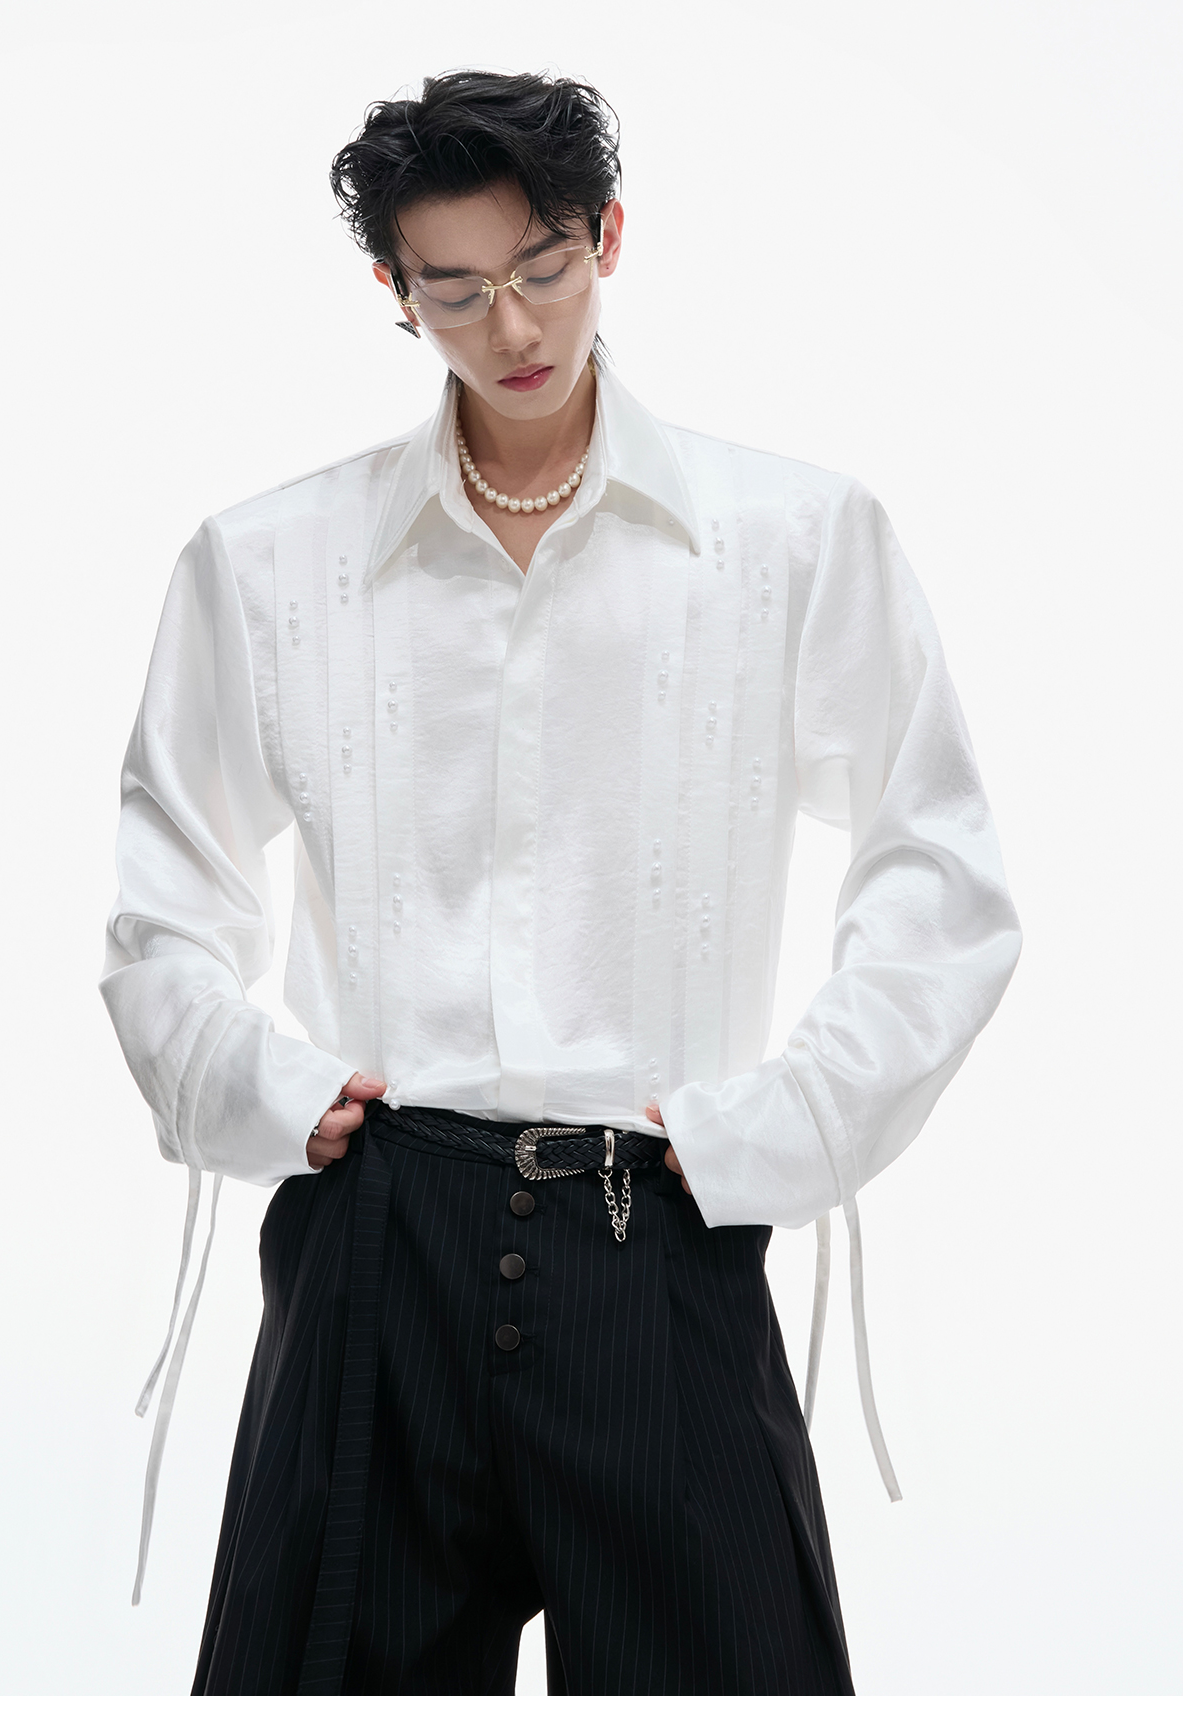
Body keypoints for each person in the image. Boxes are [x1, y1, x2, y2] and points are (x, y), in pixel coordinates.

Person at [101, 69, 1021, 1696]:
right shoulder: (266, 564)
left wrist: (779, 1126)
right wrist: (269, 1093)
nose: (512, 325)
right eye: (455, 289)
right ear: (395, 291)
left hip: (656, 1231)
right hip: (378, 1236)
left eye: (544, 266)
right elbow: (162, 906)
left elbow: (941, 876)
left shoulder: (792, 538)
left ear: (611, 237)